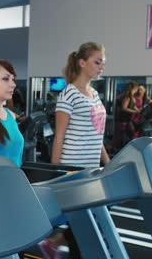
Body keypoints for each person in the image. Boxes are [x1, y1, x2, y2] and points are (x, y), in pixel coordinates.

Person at [40, 42, 110, 259]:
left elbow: (96, 135)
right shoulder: (68, 94)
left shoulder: (95, 94)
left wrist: (109, 164)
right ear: (82, 63)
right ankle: (55, 244)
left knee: (89, 220)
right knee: (86, 222)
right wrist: (56, 171)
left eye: (103, 63)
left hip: (91, 168)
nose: (101, 67)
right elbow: (59, 136)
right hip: (72, 168)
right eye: (97, 62)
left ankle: (53, 243)